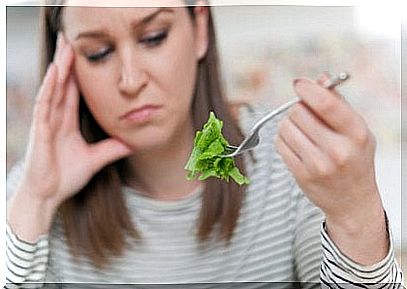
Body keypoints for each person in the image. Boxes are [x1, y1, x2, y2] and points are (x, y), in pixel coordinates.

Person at [5, 0, 404, 288]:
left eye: (154, 37)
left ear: (198, 29)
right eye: (99, 52)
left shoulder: (292, 162)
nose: (130, 80)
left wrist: (357, 216)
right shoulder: (33, 194)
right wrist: (36, 200)